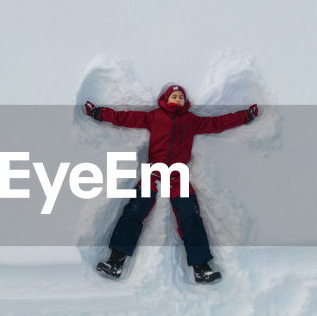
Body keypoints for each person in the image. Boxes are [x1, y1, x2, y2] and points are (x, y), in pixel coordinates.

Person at [85, 83, 258, 283]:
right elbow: (125, 118)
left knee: (190, 217)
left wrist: (245, 116)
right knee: (134, 211)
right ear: (166, 99)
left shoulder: (191, 121)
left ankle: (202, 267)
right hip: (154, 173)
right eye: (174, 96)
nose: (177, 99)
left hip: (178, 176)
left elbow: (218, 123)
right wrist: (99, 113)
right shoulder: (154, 117)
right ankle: (115, 261)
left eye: (180, 97)